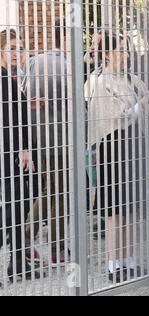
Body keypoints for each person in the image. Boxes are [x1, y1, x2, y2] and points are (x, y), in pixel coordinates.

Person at [85, 31, 149, 282]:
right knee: (115, 210)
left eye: (127, 50)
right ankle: (114, 266)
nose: (126, 55)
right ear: (106, 56)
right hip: (112, 148)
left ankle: (129, 261)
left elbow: (138, 111)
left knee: (132, 208)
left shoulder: (132, 79)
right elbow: (116, 118)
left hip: (135, 147)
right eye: (121, 51)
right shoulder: (99, 81)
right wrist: (144, 102)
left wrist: (147, 99)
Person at [23, 19, 69, 265]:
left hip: (38, 140)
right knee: (59, 194)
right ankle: (54, 248)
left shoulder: (34, 61)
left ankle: (29, 239)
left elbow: (21, 99)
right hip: (62, 142)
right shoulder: (69, 65)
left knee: (50, 190)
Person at [0, 29, 40, 280]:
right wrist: (23, 149)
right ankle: (16, 258)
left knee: (22, 198)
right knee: (24, 195)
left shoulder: (9, 77)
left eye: (20, 48)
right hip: (9, 150)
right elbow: (8, 120)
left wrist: (28, 103)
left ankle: (17, 261)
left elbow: (14, 111)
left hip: (12, 148)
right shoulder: (3, 78)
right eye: (12, 48)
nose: (17, 53)